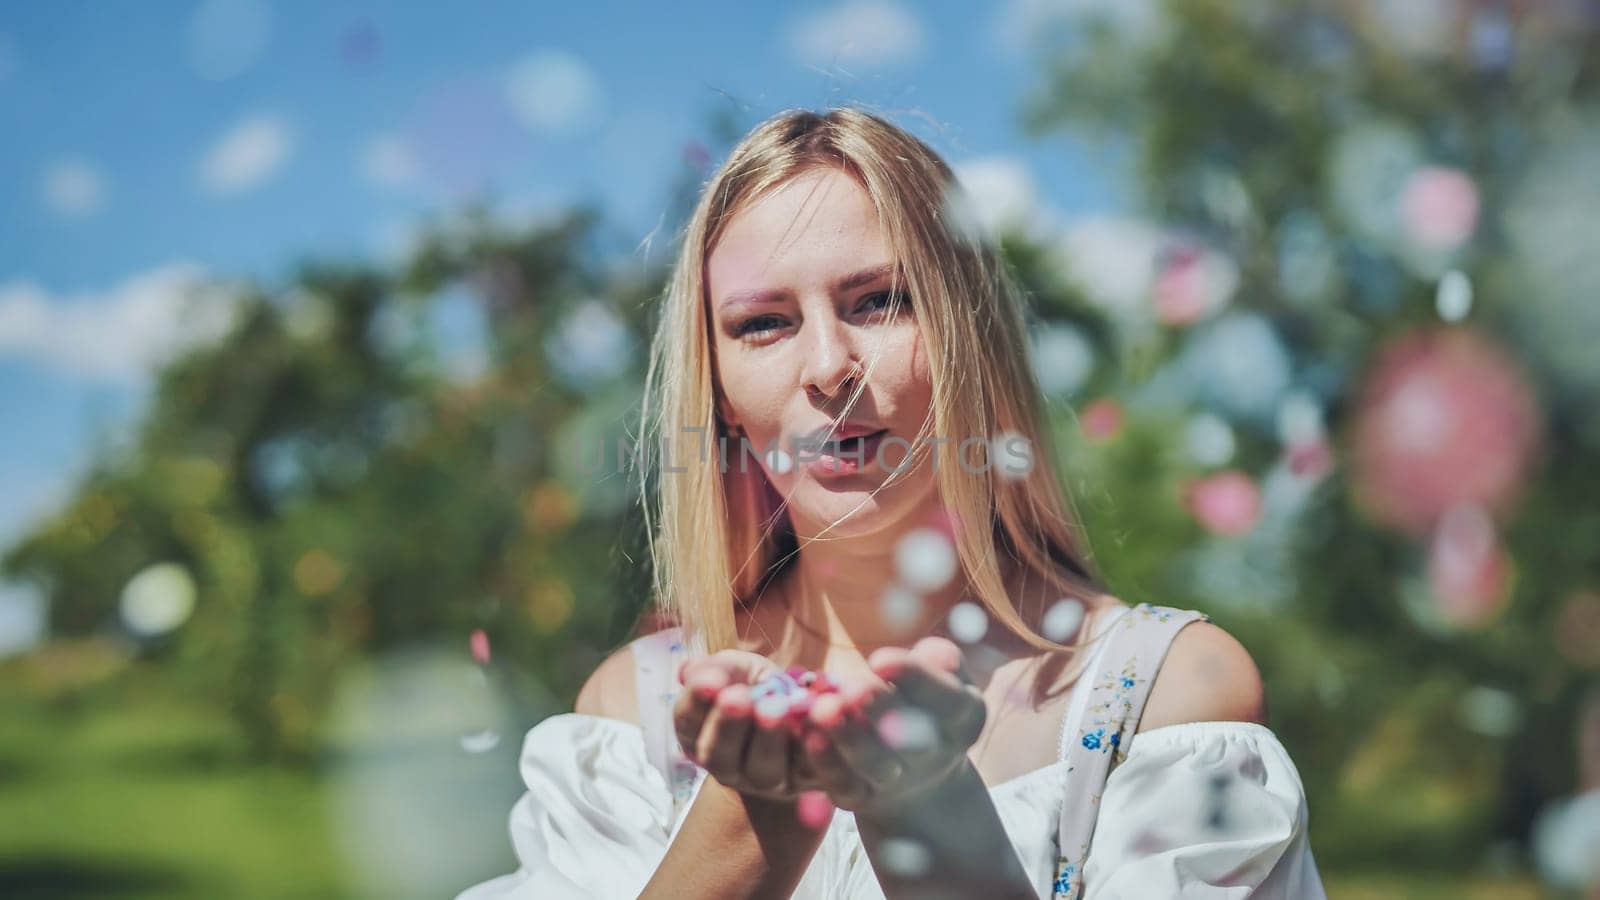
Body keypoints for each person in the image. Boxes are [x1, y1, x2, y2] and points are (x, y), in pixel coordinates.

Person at [458, 107, 1326, 899]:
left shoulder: (1158, 697)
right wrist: (750, 809)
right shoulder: (630, 720)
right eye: (763, 321)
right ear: (718, 387)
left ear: (970, 338)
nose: (829, 365)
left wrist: (929, 816)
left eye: (881, 301)